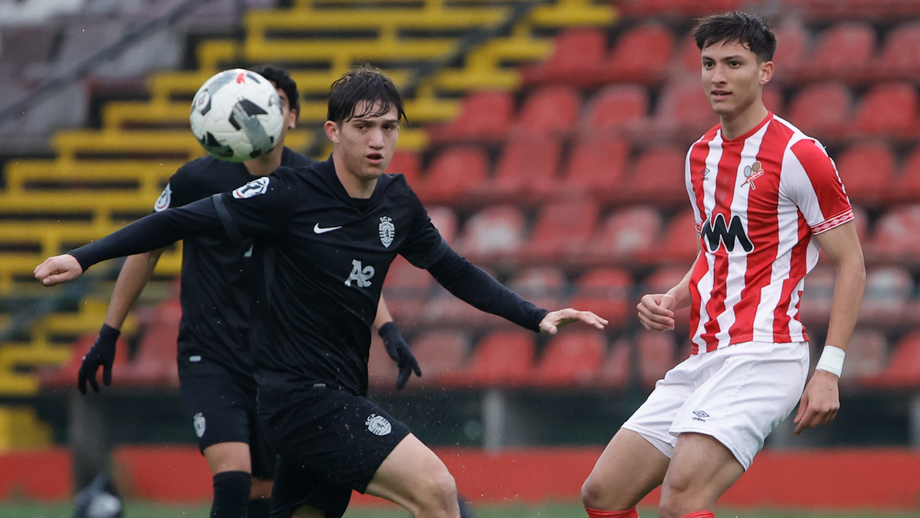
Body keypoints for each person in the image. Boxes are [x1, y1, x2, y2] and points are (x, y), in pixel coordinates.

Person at [35, 65, 608, 518]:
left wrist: (534, 316)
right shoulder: (287, 193)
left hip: (342, 392)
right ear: (333, 131)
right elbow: (179, 222)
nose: (378, 140)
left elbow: (454, 270)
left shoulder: (398, 202)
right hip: (297, 399)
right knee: (437, 490)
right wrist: (83, 258)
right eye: (364, 127)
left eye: (389, 127)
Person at [73, 66, 420, 518]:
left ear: (292, 117)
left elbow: (346, 268)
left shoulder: (310, 182)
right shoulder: (196, 179)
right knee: (233, 474)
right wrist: (109, 331)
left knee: (267, 488)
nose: (255, 118)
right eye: (244, 108)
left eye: (270, 106)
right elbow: (147, 251)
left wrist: (387, 327)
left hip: (279, 362)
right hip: (211, 353)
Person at [579, 12, 866, 518]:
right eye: (708, 63)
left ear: (764, 72)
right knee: (602, 494)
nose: (717, 76)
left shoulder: (801, 155)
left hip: (766, 354)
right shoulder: (699, 156)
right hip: (704, 356)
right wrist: (674, 296)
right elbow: (714, 256)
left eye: (734, 63)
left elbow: (852, 265)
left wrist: (829, 371)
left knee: (682, 498)